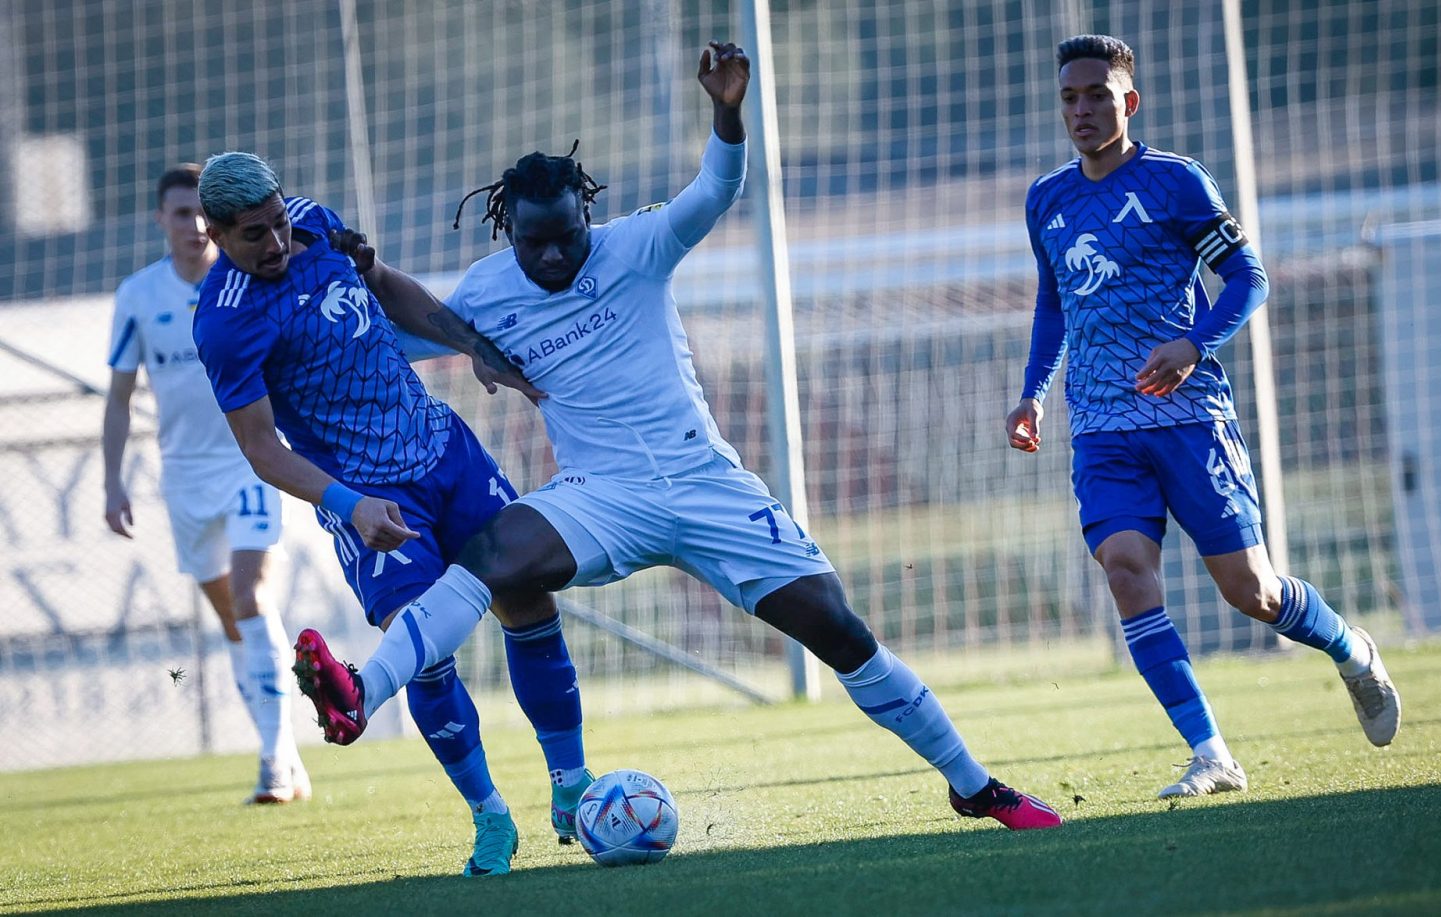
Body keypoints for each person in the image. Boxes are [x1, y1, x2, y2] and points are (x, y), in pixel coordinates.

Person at [302, 39, 1062, 831]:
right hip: (600, 495)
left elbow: (715, 190)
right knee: (489, 558)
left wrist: (726, 113)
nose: (554, 253)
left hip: (706, 484)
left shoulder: (637, 246)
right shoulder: (488, 292)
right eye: (535, 243)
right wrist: (357, 279)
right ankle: (362, 690)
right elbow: (402, 334)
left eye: (566, 234)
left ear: (586, 214)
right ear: (509, 234)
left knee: (841, 632)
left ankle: (974, 785)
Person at [1006, 34, 1401, 798]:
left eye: (1097, 95)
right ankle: (1211, 753)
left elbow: (1248, 279)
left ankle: (1353, 650)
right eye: (1069, 98)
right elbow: (1054, 303)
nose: (1082, 110)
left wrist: (1193, 344)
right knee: (1126, 572)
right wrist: (1034, 390)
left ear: (1129, 100)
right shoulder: (1046, 198)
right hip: (1102, 428)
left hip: (1189, 419)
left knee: (1251, 592)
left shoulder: (1176, 182)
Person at [190, 157, 593, 876]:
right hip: (369, 496)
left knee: (528, 598)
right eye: (255, 235)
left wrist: (472, 345)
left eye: (279, 223)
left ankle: (571, 787)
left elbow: (383, 285)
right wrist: (349, 506)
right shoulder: (224, 323)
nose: (278, 243)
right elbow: (261, 450)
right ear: (216, 234)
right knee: (425, 653)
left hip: (445, 450)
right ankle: (490, 817)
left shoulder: (315, 221)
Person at [103, 164, 309, 805]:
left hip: (251, 462)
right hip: (185, 477)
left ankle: (274, 761)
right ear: (160, 220)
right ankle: (284, 754)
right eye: (180, 213)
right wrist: (112, 482)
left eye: (200, 213)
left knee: (251, 597)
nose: (192, 225)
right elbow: (119, 397)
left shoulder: (249, 280)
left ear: (215, 220)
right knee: (234, 620)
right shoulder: (138, 296)